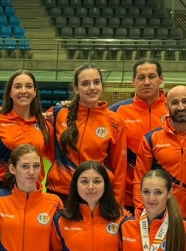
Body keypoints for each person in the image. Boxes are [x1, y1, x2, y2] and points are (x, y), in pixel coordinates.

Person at [46, 64, 126, 202]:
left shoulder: (115, 121)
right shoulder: (58, 113)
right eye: (85, 83)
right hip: (59, 193)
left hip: (95, 195)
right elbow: (43, 146)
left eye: (96, 82)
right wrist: (0, 111)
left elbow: (119, 167)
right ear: (76, 88)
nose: (92, 88)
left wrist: (117, 203)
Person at [132, 84, 186, 216]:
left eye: (185, 101)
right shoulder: (151, 139)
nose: (181, 107)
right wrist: (141, 212)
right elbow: (140, 180)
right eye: (175, 103)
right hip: (162, 215)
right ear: (166, 106)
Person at [110, 59, 168, 210]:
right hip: (127, 196)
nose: (147, 82)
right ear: (133, 81)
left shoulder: (173, 109)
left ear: (161, 79)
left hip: (166, 196)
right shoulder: (117, 111)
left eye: (152, 76)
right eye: (141, 78)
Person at [0, 69, 53, 195]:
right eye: (18, 86)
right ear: (10, 93)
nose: (23, 91)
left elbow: (55, 159)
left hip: (32, 190)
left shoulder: (46, 125)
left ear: (34, 92)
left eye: (29, 86)